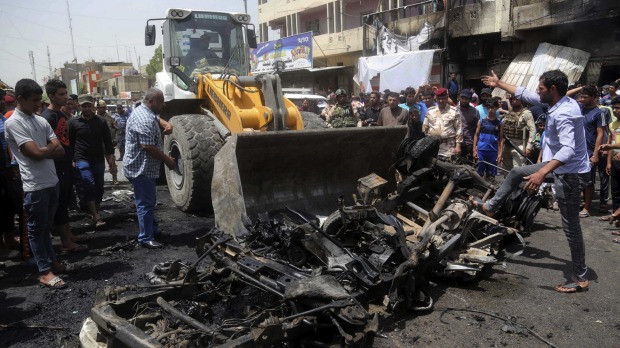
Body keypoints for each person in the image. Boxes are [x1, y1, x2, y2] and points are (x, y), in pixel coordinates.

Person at [479, 69, 590, 293]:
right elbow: (525, 93)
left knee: (571, 227)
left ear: (553, 90)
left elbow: (568, 150)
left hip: (569, 172)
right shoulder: (561, 101)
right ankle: (491, 207)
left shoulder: (564, 113)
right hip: (558, 165)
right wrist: (499, 82)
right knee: (516, 173)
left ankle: (580, 278)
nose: (537, 92)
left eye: (541, 88)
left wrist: (541, 174)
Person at [4, 78, 69, 288]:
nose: (37, 104)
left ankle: (52, 263)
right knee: (36, 229)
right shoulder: (14, 122)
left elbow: (60, 149)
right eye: (33, 100)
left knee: (45, 228)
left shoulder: (39, 120)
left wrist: (43, 151)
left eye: (39, 100)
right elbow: (34, 153)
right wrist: (44, 150)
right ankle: (44, 271)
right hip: (35, 185)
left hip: (51, 181)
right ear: (20, 99)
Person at [123, 88, 176, 249]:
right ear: (151, 102)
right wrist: (168, 160)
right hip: (141, 168)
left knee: (148, 201)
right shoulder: (144, 119)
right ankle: (146, 237)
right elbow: (148, 146)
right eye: (161, 102)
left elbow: (154, 117)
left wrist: (165, 122)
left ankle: (151, 229)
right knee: (145, 203)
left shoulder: (144, 111)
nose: (164, 105)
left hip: (142, 167)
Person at [40, 79, 86, 253]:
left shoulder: (60, 115)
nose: (66, 98)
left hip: (66, 164)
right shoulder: (47, 117)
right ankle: (66, 242)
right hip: (57, 167)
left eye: (66, 93)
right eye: (61, 94)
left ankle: (69, 235)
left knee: (65, 201)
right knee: (59, 203)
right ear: (51, 96)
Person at [68, 94, 116, 229]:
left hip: (98, 159)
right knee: (89, 183)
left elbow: (107, 142)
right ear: (79, 106)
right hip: (81, 158)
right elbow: (70, 143)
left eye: (89, 105)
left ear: (93, 106)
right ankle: (96, 215)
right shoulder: (73, 122)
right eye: (84, 106)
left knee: (99, 187)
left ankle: (95, 209)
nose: (87, 108)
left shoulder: (101, 122)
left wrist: (111, 159)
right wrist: (71, 159)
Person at [578, 85, 609, 218]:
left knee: (589, 181)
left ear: (594, 98)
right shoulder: (579, 109)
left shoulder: (599, 113)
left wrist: (595, 154)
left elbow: (600, 134)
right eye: (581, 96)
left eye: (585, 97)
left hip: (590, 151)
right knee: (578, 179)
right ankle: (580, 203)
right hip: (578, 150)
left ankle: (587, 207)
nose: (582, 99)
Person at [600, 97, 620, 243]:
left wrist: (612, 148)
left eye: (618, 107)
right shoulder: (613, 124)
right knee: (615, 192)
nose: (615, 110)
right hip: (614, 163)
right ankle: (616, 217)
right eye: (614, 108)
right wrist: (608, 163)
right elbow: (609, 144)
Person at [422, 88, 463, 158]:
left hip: (448, 147)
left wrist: (458, 146)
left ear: (447, 98)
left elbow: (459, 129)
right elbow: (424, 128)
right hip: (432, 146)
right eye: (439, 99)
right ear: (436, 99)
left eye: (443, 98)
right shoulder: (430, 111)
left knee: (448, 167)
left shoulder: (454, 111)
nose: (441, 101)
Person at [501, 95, 536, 171]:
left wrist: (529, 146)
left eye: (517, 99)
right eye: (513, 99)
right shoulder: (509, 112)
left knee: (518, 168)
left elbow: (532, 130)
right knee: (506, 168)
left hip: (520, 144)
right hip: (507, 144)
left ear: (521, 101)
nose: (514, 101)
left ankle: (518, 183)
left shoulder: (526, 113)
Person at [473, 97, 503, 180]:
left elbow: (501, 139)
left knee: (491, 175)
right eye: (488, 107)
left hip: (493, 151)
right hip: (482, 150)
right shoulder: (481, 121)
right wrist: (474, 150)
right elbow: (476, 135)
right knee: (479, 174)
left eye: (492, 107)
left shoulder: (499, 123)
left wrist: (500, 153)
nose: (490, 110)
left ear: (496, 108)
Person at [95, 100, 120, 184]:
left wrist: (116, 139)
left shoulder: (110, 118)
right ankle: (99, 180)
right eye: (98, 107)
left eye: (101, 107)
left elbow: (117, 130)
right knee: (97, 164)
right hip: (97, 144)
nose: (99, 109)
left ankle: (114, 178)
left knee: (111, 161)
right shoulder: (93, 118)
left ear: (105, 108)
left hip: (108, 144)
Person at [456, 89, 480, 161]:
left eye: (466, 99)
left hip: (469, 144)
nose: (463, 101)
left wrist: (476, 146)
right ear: (459, 98)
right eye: (462, 98)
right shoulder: (454, 110)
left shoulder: (475, 112)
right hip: (456, 144)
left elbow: (478, 129)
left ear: (470, 99)